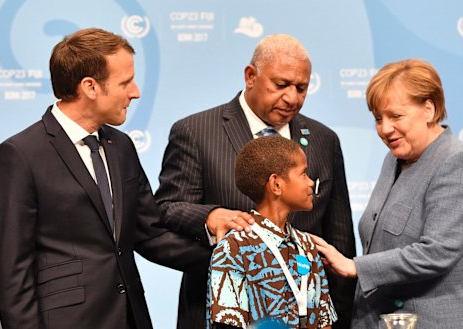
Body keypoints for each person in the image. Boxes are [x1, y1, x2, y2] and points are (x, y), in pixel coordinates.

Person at [0, 28, 211, 329]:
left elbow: (150, 234)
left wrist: (237, 258)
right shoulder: (19, 155)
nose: (136, 92)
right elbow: (12, 273)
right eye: (125, 82)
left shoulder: (121, 147)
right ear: (90, 86)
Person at [155, 34, 356, 329]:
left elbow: (340, 238)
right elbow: (166, 208)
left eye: (301, 88)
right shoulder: (196, 132)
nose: (292, 98)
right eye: (281, 85)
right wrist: (209, 216)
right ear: (251, 76)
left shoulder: (325, 140)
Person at [313, 59, 463, 329]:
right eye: (378, 119)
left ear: (428, 109)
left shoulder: (454, 161)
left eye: (396, 116)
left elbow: (438, 252)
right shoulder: (393, 159)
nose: (384, 129)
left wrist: (356, 267)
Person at [207, 136, 337, 329]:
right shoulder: (233, 249)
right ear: (276, 184)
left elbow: (324, 321)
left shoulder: (307, 246)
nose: (311, 183)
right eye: (303, 174)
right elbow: (227, 323)